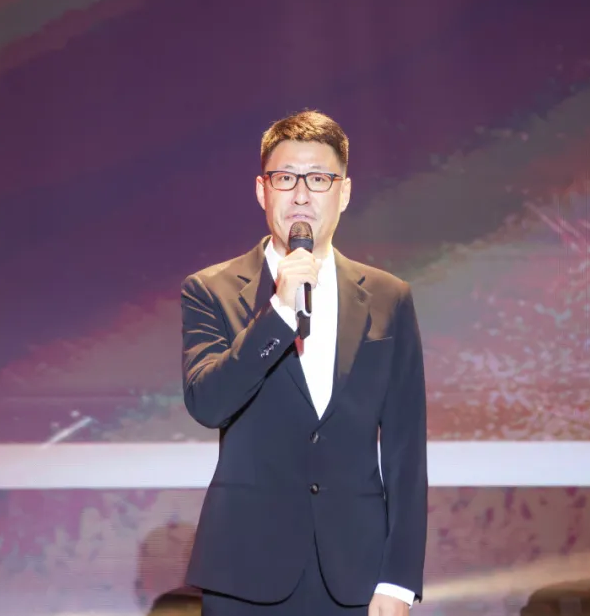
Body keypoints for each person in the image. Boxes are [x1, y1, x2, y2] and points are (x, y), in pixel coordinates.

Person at [179, 109, 429, 615]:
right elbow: (208, 403)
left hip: (355, 575)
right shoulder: (210, 290)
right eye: (285, 178)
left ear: (345, 192)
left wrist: (399, 580)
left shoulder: (388, 297)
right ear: (261, 190)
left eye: (318, 179)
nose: (300, 195)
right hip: (245, 569)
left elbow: (407, 449)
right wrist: (277, 312)